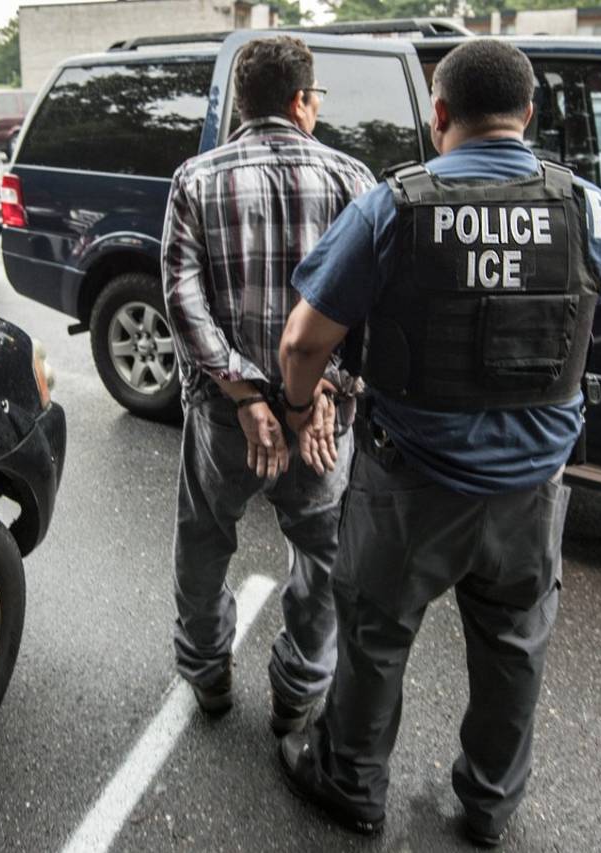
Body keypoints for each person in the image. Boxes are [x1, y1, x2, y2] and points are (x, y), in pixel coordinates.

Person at [275, 40, 601, 846]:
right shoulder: (587, 207)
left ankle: (351, 784)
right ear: (527, 114)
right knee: (514, 648)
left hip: (410, 485)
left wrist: (299, 409)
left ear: (439, 113)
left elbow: (302, 341)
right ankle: (491, 805)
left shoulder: (393, 209)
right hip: (532, 492)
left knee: (374, 635)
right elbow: (588, 295)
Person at [160, 36, 375, 735]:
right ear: (301, 100)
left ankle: (208, 674)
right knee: (322, 556)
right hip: (321, 423)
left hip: (227, 420)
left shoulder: (196, 179)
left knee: (204, 541)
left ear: (242, 104)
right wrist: (323, 389)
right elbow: (373, 314)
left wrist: (245, 393)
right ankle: (298, 690)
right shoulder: (353, 179)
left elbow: (181, 300)